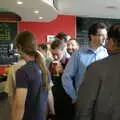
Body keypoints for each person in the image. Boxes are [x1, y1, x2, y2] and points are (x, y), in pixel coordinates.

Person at [75, 23, 120, 120]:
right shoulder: (78, 53)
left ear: (112, 41)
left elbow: (85, 107)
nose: (104, 40)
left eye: (106, 38)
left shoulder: (95, 68)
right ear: (91, 36)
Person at [62, 23, 108, 102]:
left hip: (102, 101)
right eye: (101, 35)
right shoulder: (78, 54)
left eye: (106, 35)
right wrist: (74, 97)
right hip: (83, 100)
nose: (105, 38)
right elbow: (66, 77)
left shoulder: (106, 53)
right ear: (92, 36)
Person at [11, 31, 50, 120]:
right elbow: (47, 97)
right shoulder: (45, 69)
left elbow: (19, 107)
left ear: (20, 47)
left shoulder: (22, 72)